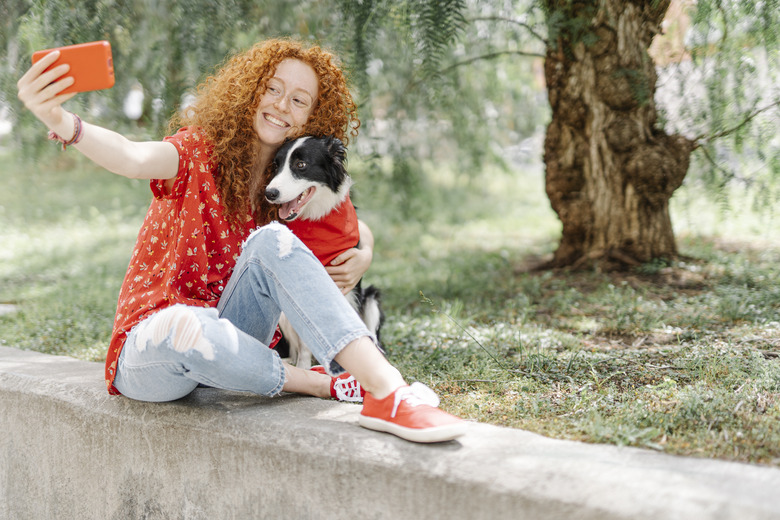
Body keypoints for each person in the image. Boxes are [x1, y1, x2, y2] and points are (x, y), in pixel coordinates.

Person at [17, 38, 466, 443]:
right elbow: (133, 157)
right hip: (155, 349)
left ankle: (386, 390)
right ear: (250, 91)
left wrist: (363, 253)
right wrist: (65, 121)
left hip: (234, 341)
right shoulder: (196, 153)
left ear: (311, 117)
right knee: (188, 326)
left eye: (298, 100)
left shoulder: (288, 189)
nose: (281, 104)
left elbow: (345, 225)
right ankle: (324, 383)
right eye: (272, 88)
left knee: (273, 241)